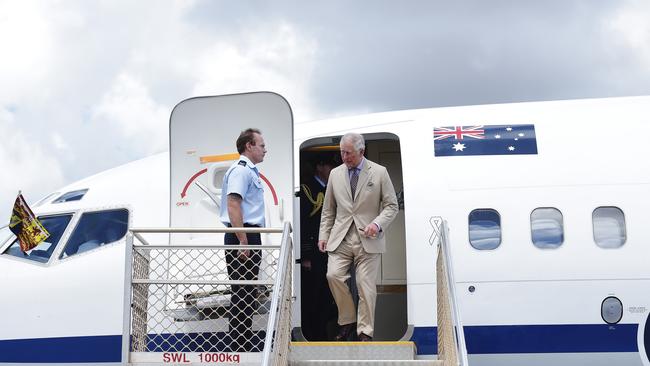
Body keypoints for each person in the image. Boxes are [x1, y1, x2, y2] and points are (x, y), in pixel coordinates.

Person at [318, 133, 398, 342]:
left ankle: (365, 332)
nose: (344, 157)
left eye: (348, 153)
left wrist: (377, 224)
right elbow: (328, 210)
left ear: (361, 152)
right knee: (333, 275)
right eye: (342, 152)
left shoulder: (379, 173)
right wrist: (323, 235)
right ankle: (347, 321)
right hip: (341, 237)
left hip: (368, 238)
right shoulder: (335, 174)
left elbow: (391, 206)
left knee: (365, 285)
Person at [219, 128, 267, 352]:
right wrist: (243, 240)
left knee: (248, 291)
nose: (265, 149)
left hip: (247, 234)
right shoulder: (241, 171)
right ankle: (238, 346)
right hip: (243, 234)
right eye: (261, 145)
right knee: (241, 290)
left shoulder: (250, 171)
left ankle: (244, 341)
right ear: (249, 145)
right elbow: (233, 205)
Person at [299, 155, 337, 340]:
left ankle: (322, 335)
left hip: (327, 254)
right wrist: (305, 255)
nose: (334, 169)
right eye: (331, 164)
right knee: (312, 298)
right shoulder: (307, 190)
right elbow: (304, 225)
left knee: (325, 296)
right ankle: (311, 336)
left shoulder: (329, 189)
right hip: (312, 255)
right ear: (320, 166)